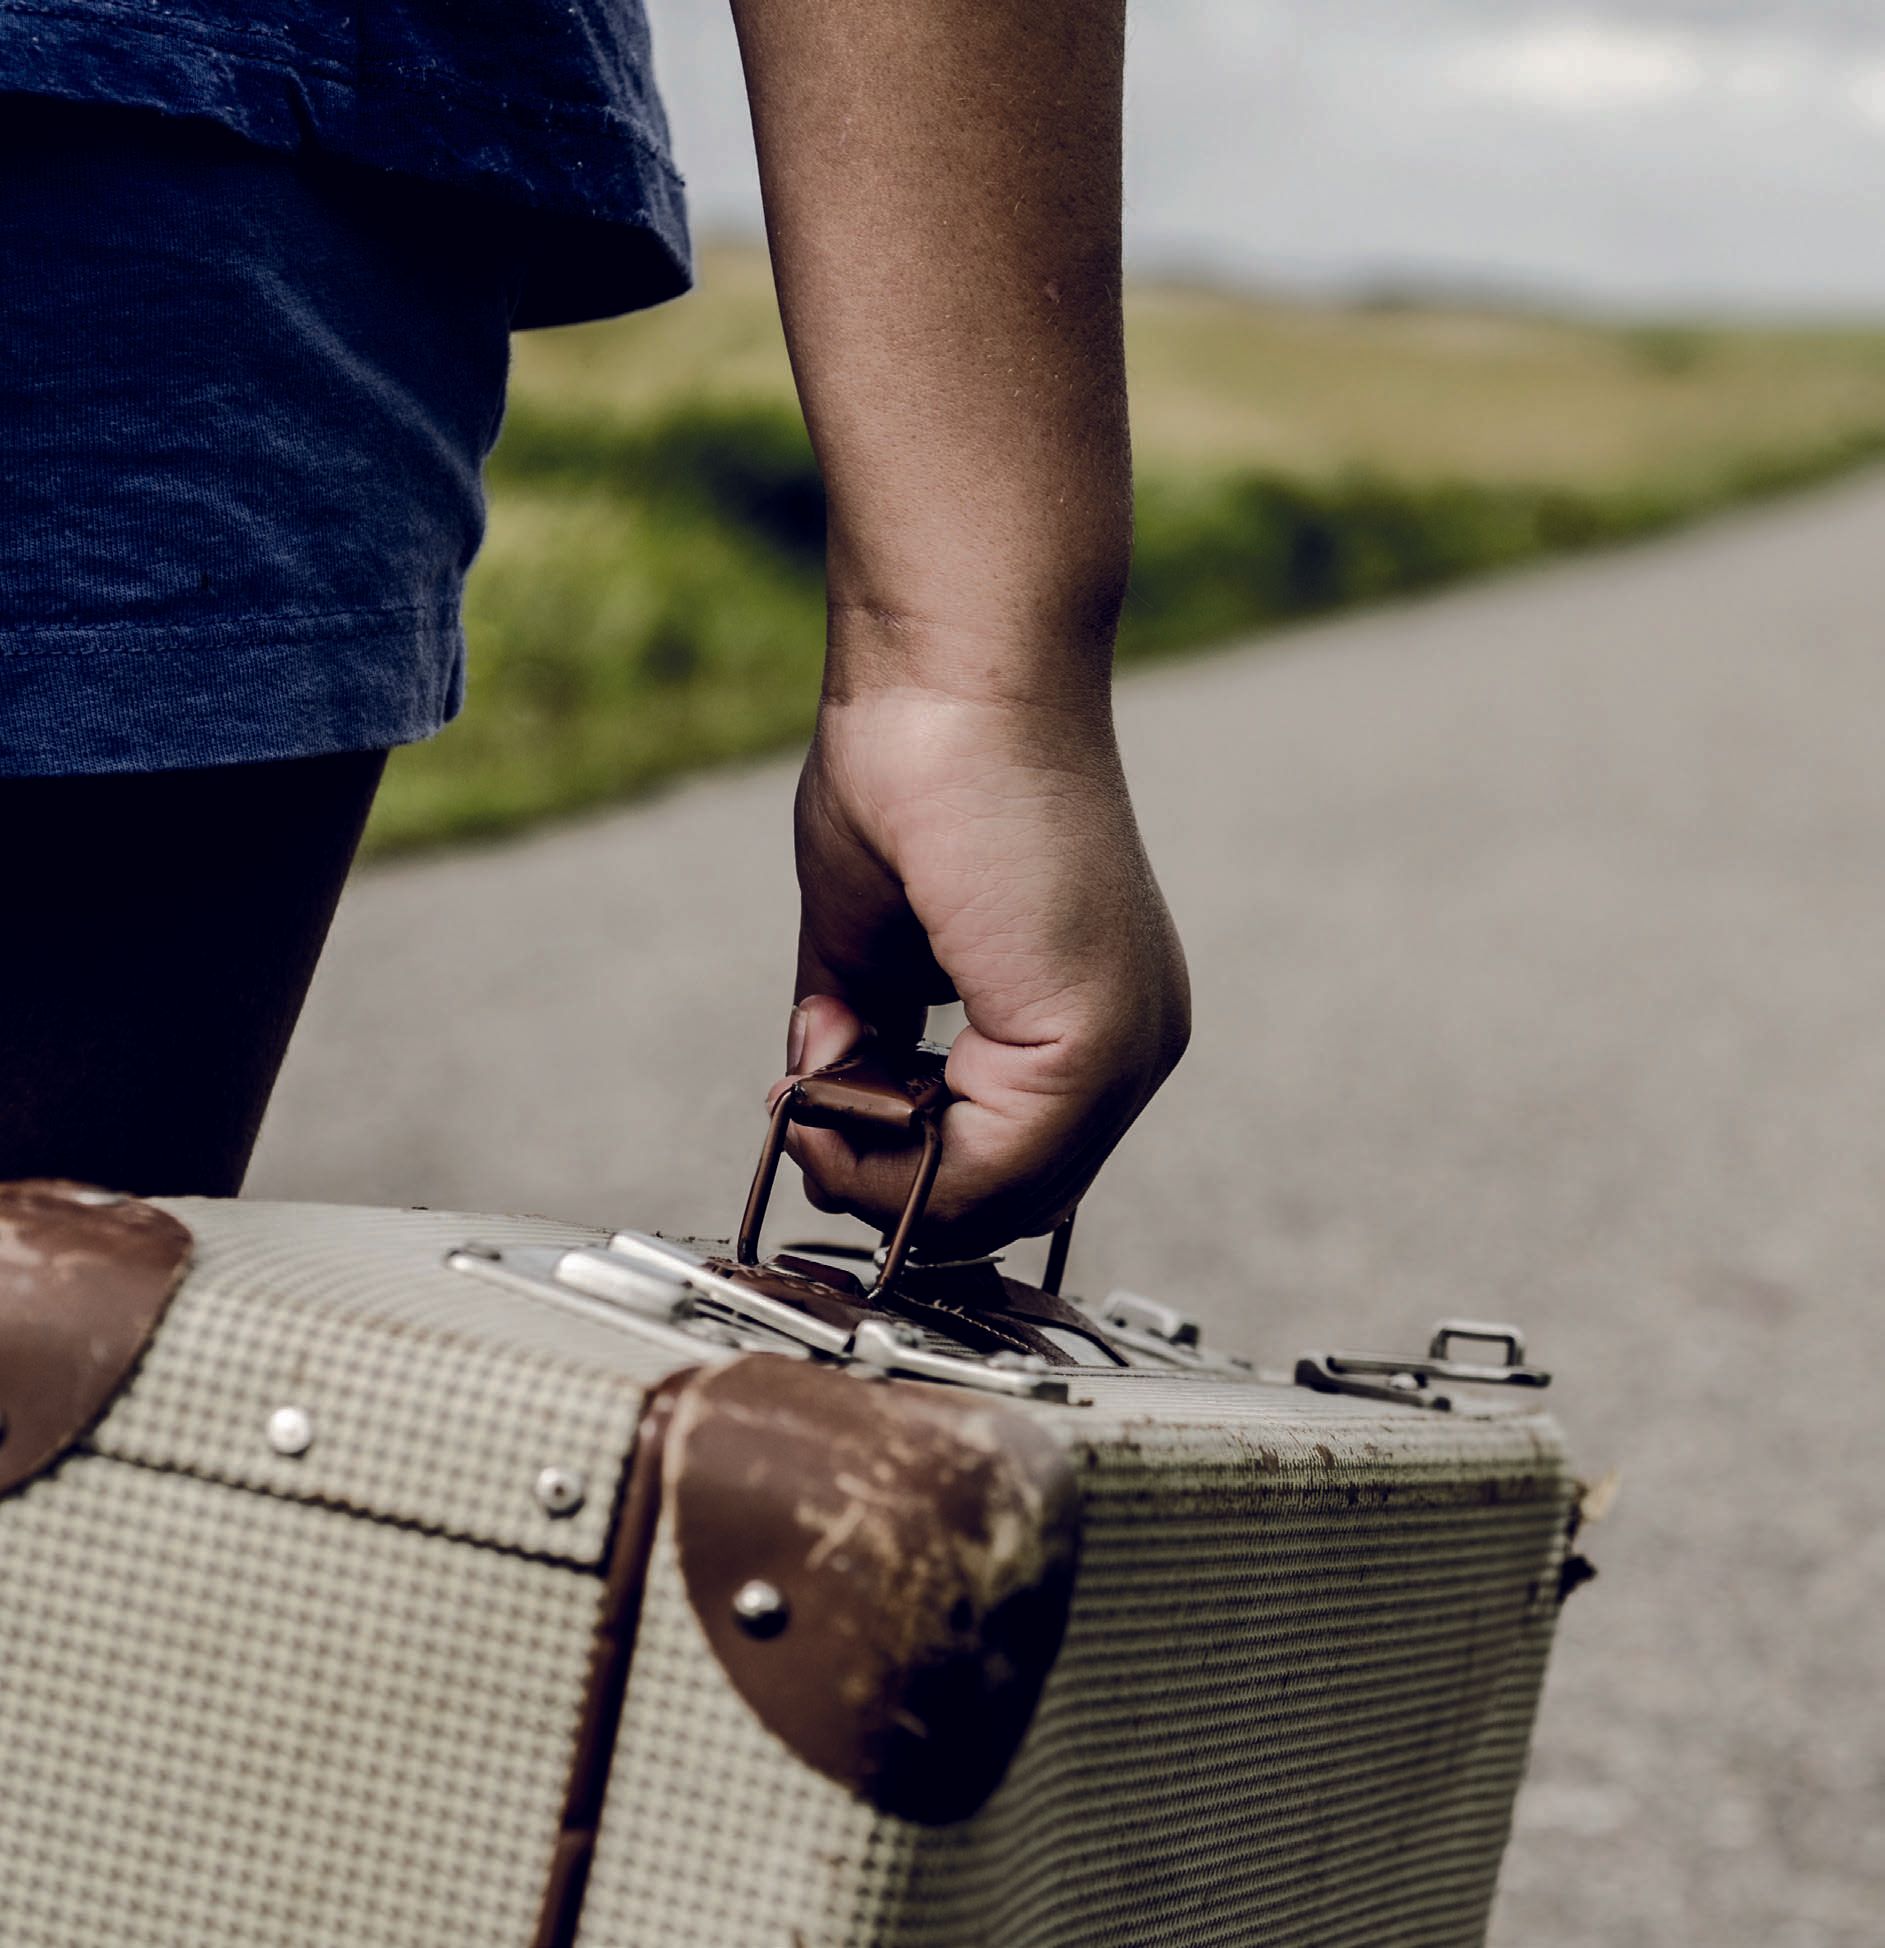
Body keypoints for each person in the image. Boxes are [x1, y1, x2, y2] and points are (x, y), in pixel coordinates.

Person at [0, 0, 1188, 1255]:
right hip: (175, 145)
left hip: (156, 158)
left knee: (56, 1309)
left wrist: (959, 683)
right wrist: (962, 678)